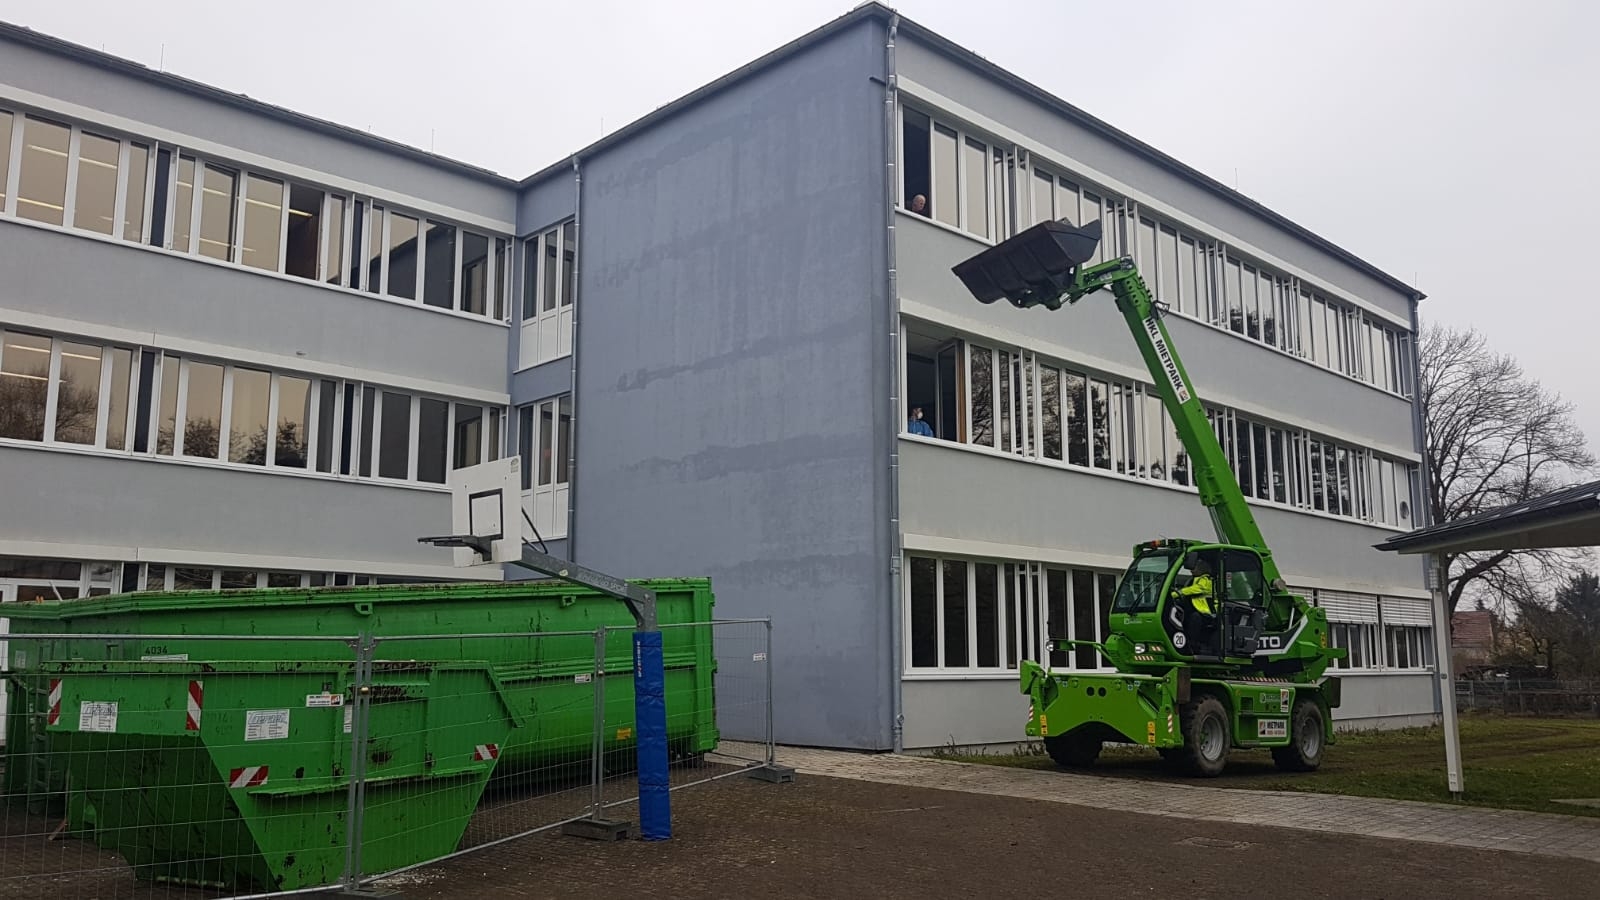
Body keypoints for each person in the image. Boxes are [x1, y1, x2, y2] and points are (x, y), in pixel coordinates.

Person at [1173, 554, 1218, 653]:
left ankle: (1192, 644)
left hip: (1207, 612)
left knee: (1195, 618)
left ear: (1202, 568)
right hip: (1197, 609)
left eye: (1194, 566)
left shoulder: (1206, 580)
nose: (1191, 569)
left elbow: (1197, 589)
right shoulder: (1192, 580)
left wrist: (1178, 593)